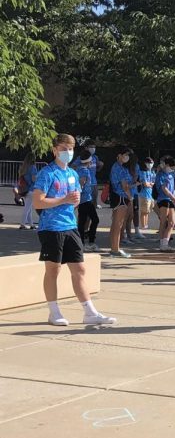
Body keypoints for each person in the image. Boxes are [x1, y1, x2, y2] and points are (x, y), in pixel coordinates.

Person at [32, 134, 116, 326]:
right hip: (51, 228)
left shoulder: (72, 173)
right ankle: (54, 312)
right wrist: (64, 200)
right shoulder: (47, 173)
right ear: (54, 150)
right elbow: (38, 200)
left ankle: (90, 312)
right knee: (53, 269)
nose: (67, 152)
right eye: (63, 148)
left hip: (70, 226)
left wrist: (74, 201)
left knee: (79, 269)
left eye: (70, 149)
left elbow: (74, 199)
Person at [108, 148, 134, 259]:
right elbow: (125, 186)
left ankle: (114, 248)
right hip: (121, 197)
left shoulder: (116, 167)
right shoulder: (119, 168)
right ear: (119, 155)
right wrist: (130, 197)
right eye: (125, 155)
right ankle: (115, 249)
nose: (127, 157)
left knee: (116, 223)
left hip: (117, 196)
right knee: (118, 224)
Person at [155, 156, 175, 252]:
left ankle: (165, 242)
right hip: (163, 199)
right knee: (163, 222)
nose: (173, 168)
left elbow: (172, 189)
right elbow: (164, 189)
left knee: (172, 222)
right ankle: (162, 243)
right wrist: (174, 199)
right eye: (171, 166)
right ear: (166, 165)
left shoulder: (171, 175)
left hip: (170, 200)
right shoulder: (161, 175)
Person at [75, 151, 99, 252]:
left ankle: (82, 242)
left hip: (83, 199)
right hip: (85, 199)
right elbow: (81, 184)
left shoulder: (78, 169)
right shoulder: (85, 171)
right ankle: (90, 241)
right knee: (94, 219)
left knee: (82, 221)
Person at [136, 157, 155, 235]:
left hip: (151, 194)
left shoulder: (152, 172)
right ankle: (143, 225)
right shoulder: (142, 172)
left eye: (151, 163)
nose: (150, 164)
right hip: (144, 194)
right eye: (149, 163)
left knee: (148, 211)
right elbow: (145, 184)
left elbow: (153, 183)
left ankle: (146, 225)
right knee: (144, 211)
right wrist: (150, 184)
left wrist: (150, 184)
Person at [18, 155, 39, 229]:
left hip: (26, 189)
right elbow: (34, 179)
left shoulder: (24, 168)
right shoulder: (33, 167)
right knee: (27, 208)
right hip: (32, 189)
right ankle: (22, 224)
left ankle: (31, 225)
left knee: (28, 208)